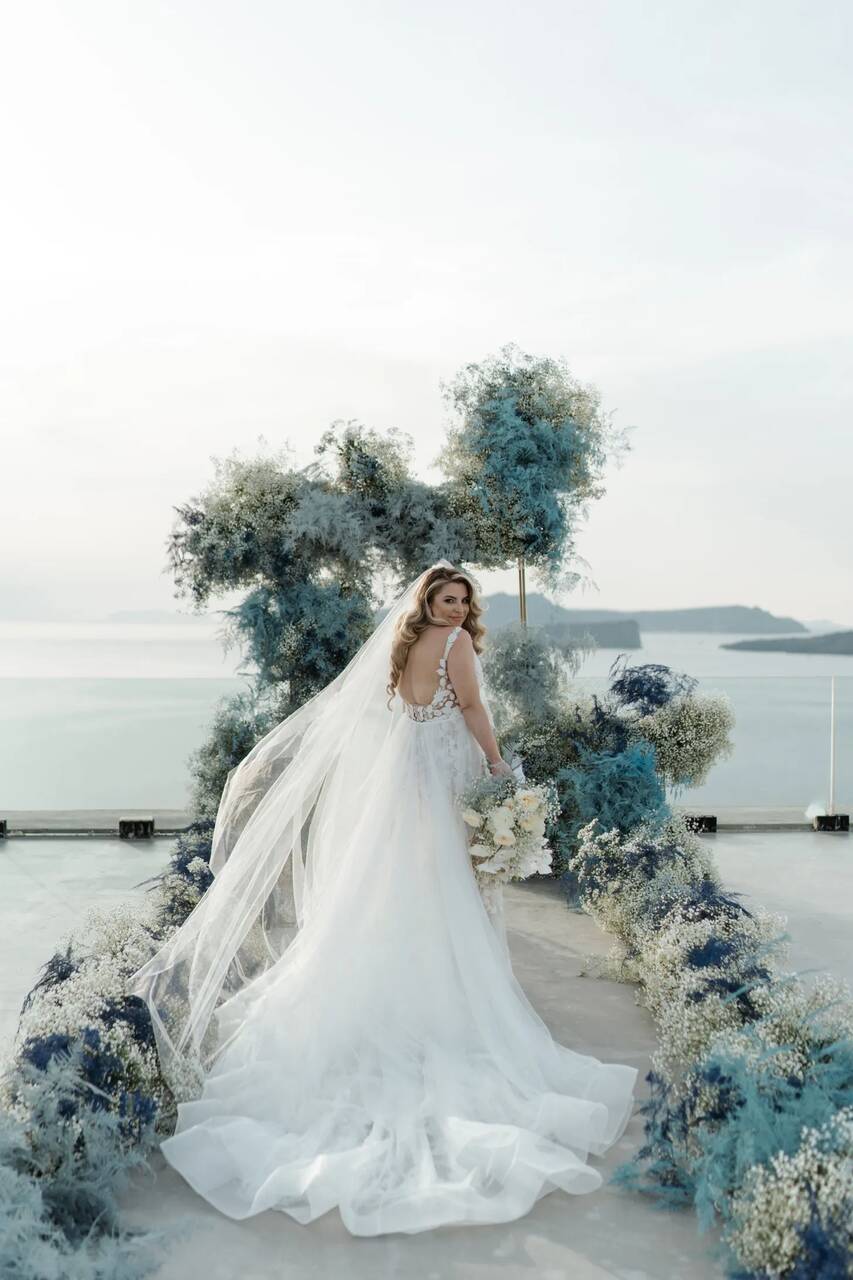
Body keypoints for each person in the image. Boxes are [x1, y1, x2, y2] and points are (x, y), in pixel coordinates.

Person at [127, 559, 638, 1236]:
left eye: (462, 600)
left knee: (390, 889)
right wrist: (494, 764)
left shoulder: (402, 643)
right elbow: (475, 709)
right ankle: (436, 1004)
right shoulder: (455, 648)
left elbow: (393, 716)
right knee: (439, 891)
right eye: (446, 598)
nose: (456, 610)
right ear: (428, 601)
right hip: (437, 782)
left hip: (401, 779)